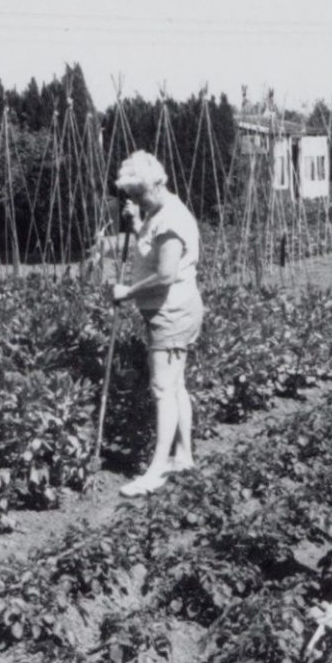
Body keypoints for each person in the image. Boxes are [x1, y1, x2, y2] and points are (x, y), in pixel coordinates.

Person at [109, 150, 204, 497]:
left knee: (162, 389)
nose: (135, 200)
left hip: (172, 312)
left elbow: (165, 275)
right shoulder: (158, 212)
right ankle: (183, 457)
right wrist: (136, 223)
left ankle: (157, 469)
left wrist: (127, 291)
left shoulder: (173, 220)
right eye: (131, 196)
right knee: (175, 387)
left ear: (159, 183)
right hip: (169, 311)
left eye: (139, 195)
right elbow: (150, 250)